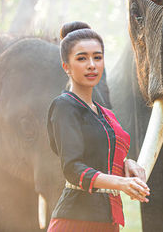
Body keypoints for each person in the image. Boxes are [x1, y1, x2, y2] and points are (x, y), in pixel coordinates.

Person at [46, 21, 150, 232]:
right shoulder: (64, 106)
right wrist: (121, 184)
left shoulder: (106, 114)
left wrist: (126, 163)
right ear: (66, 66)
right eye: (82, 58)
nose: (92, 64)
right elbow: (73, 169)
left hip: (109, 220)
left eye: (97, 57)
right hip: (75, 220)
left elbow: (101, 156)